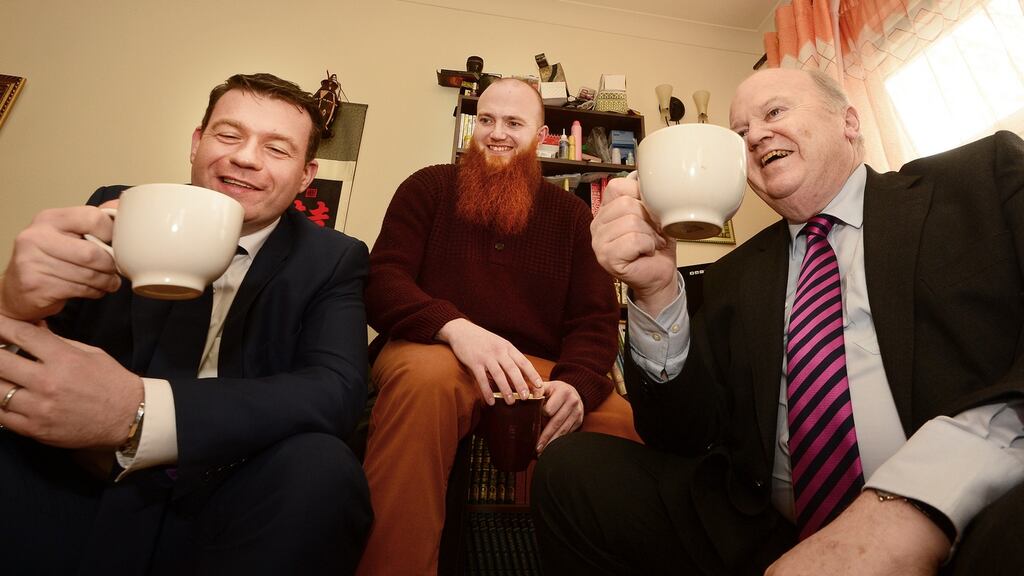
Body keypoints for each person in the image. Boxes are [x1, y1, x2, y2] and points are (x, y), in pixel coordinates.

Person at [531, 67, 1024, 576]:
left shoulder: (980, 182)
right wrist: (655, 293)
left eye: (775, 112)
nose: (757, 135)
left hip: (973, 521)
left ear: (849, 121)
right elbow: (681, 437)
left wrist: (916, 503)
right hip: (767, 530)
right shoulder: (731, 278)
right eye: (740, 134)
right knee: (572, 471)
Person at [0, 73, 372, 575]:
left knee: (323, 469)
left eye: (277, 148)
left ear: (307, 177)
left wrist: (140, 412)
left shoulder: (332, 258)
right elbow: (32, 349)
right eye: (229, 134)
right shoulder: (116, 208)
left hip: (229, 484)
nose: (245, 157)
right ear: (197, 142)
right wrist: (15, 304)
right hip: (75, 469)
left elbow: (335, 389)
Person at [356, 78, 641, 575]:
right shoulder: (427, 186)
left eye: (514, 123)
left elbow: (594, 320)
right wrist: (455, 328)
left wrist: (576, 385)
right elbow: (382, 282)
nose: (497, 133)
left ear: (542, 134)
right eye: (485, 120)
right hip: (435, 351)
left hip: (532, 372)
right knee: (426, 383)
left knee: (626, 424)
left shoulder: (574, 217)